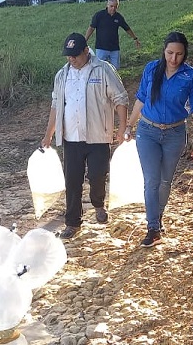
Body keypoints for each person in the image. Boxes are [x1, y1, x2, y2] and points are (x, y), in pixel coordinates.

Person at [41, 33, 129, 239]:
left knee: (98, 175)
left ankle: (98, 203)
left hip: (99, 136)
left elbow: (120, 98)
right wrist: (48, 135)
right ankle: (72, 222)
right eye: (68, 56)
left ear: (86, 51)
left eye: (75, 55)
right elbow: (56, 106)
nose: (71, 59)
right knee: (72, 181)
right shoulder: (62, 75)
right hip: (71, 138)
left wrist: (122, 126)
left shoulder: (104, 70)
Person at [125, 31, 193, 248]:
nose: (173, 59)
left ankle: (158, 216)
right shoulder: (152, 69)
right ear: (164, 50)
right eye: (170, 53)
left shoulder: (190, 76)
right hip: (147, 131)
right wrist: (128, 125)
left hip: (175, 134)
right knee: (151, 180)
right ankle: (152, 227)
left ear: (184, 54)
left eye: (179, 54)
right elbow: (141, 99)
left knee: (165, 181)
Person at [84, 0, 140, 70]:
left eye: (115, 6)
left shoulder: (118, 17)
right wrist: (84, 41)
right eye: (111, 6)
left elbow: (127, 28)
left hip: (114, 48)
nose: (113, 8)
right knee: (99, 69)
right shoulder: (99, 15)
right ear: (107, 5)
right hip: (101, 47)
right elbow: (91, 28)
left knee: (115, 69)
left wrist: (135, 38)